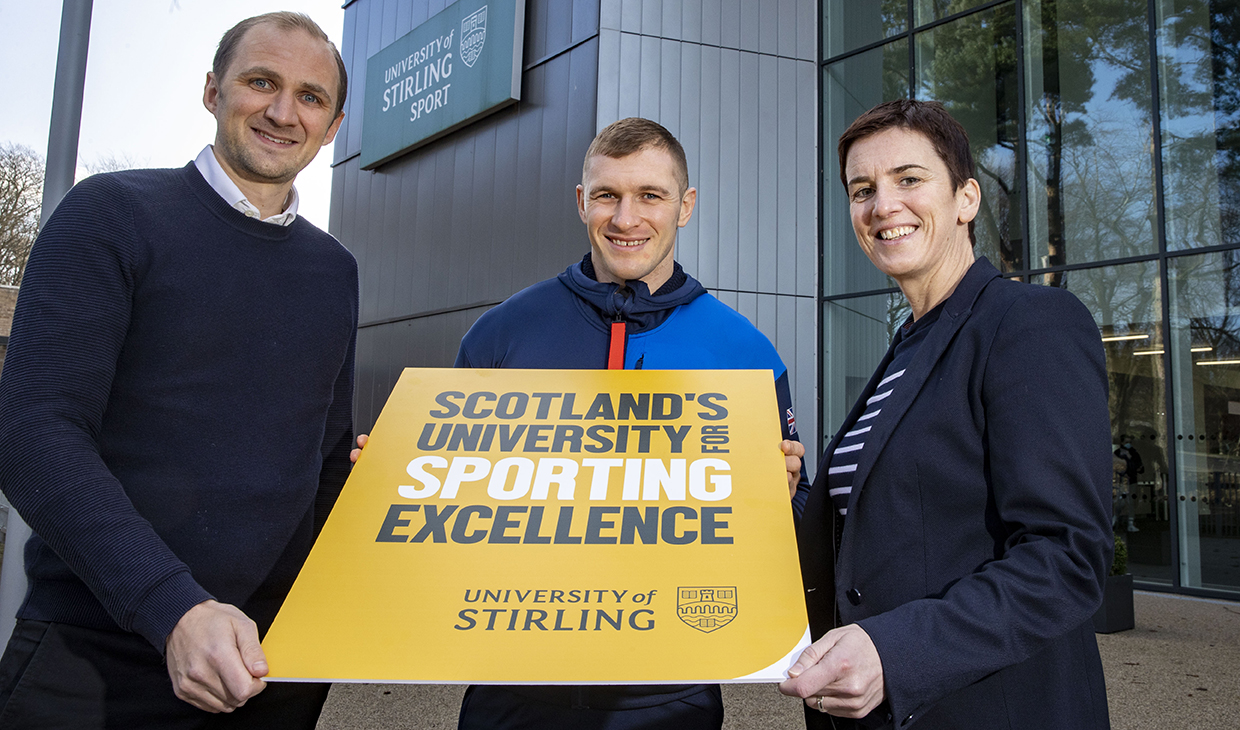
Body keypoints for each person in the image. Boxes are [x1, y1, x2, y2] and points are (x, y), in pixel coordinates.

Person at [351, 117, 808, 729]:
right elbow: (447, 511)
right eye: (606, 195)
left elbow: (793, 524)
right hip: (512, 692)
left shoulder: (745, 354)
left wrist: (776, 507)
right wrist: (391, 482)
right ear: (580, 202)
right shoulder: (503, 333)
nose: (626, 219)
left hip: (669, 699)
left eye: (650, 195)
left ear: (686, 206)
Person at [0, 12, 354, 728]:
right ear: (211, 91)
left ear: (334, 125)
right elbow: (35, 430)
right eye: (262, 82)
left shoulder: (334, 270)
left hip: (268, 668)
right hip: (101, 657)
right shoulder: (111, 214)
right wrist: (174, 608)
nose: (284, 112)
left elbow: (324, 463)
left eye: (310, 97)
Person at [780, 100, 1112, 729]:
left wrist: (896, 652)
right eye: (862, 189)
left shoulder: (1027, 324)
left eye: (909, 179)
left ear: (966, 199)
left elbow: (1066, 556)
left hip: (988, 709)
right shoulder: (910, 345)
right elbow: (875, 540)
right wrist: (791, 500)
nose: (883, 205)